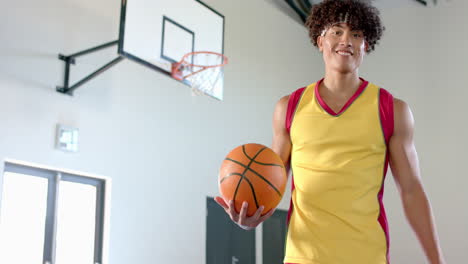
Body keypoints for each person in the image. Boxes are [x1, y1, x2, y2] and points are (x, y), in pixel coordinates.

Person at [215, 0, 446, 263]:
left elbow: (411, 191)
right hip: (303, 257)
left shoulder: (392, 110)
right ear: (319, 40)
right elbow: (271, 183)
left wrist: (438, 261)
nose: (346, 40)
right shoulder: (288, 108)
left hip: (366, 256)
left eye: (356, 34)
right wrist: (248, 221)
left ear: (365, 45)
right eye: (337, 31)